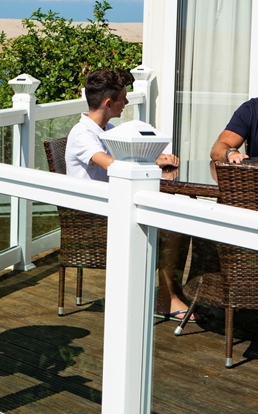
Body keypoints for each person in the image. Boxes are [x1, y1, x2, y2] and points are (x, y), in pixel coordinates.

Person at [64, 69, 187, 319]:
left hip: (113, 207)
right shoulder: (82, 135)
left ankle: (171, 294)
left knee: (176, 221)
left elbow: (121, 158)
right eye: (123, 98)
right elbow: (112, 165)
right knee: (172, 228)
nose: (127, 102)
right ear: (108, 103)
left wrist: (153, 157)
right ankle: (167, 298)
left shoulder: (107, 128)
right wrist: (153, 163)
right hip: (93, 218)